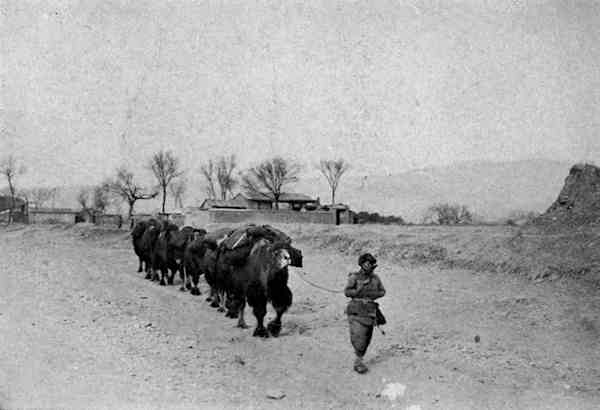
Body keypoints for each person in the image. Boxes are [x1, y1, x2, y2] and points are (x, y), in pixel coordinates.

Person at [344, 252, 386, 374]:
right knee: (358, 336)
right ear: (362, 264)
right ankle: (358, 362)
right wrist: (358, 290)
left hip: (369, 312)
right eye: (366, 263)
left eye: (371, 264)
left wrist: (373, 295)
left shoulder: (375, 278)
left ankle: (360, 357)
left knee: (367, 336)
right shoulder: (354, 277)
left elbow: (382, 291)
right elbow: (347, 292)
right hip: (355, 310)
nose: (369, 266)